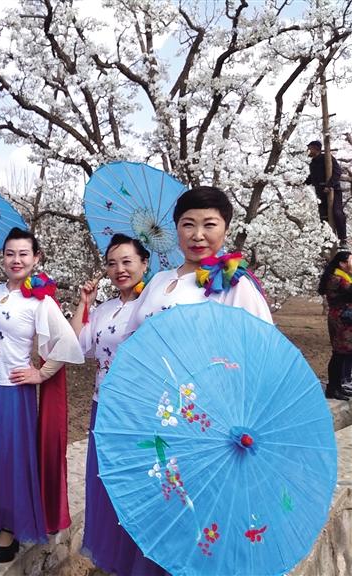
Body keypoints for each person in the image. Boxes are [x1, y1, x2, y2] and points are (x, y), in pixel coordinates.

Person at [0, 227, 84, 563]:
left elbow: (67, 342)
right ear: (2, 257)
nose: (16, 260)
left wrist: (41, 373)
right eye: (10, 253)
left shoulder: (40, 300)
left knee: (11, 460)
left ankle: (9, 527)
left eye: (23, 253)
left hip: (14, 392)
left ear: (36, 258)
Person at [70, 234, 166, 575]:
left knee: (138, 487)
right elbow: (77, 347)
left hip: (139, 412)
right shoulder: (105, 309)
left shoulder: (154, 307)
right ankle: (115, 560)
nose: (119, 269)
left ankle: (140, 561)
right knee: (107, 484)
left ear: (144, 263)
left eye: (127, 261)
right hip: (104, 408)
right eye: (112, 263)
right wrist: (84, 304)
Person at [126, 186, 272, 333]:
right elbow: (130, 336)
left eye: (209, 225)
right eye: (188, 225)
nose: (198, 235)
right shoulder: (157, 280)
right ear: (177, 228)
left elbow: (260, 340)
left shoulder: (233, 283)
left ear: (226, 230)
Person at [318, 251, 352, 401]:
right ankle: (332, 389)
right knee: (339, 354)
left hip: (345, 318)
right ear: (342, 264)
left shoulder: (343, 277)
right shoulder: (336, 279)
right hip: (340, 320)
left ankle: (337, 387)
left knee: (343, 354)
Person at [305, 139, 347, 245]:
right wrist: (299, 182)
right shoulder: (312, 164)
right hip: (320, 194)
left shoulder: (327, 158)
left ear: (315, 149)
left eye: (309, 149)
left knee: (337, 213)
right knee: (323, 217)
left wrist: (330, 185)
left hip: (333, 190)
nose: (308, 151)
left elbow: (337, 172)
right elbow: (312, 178)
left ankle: (343, 239)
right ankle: (328, 240)